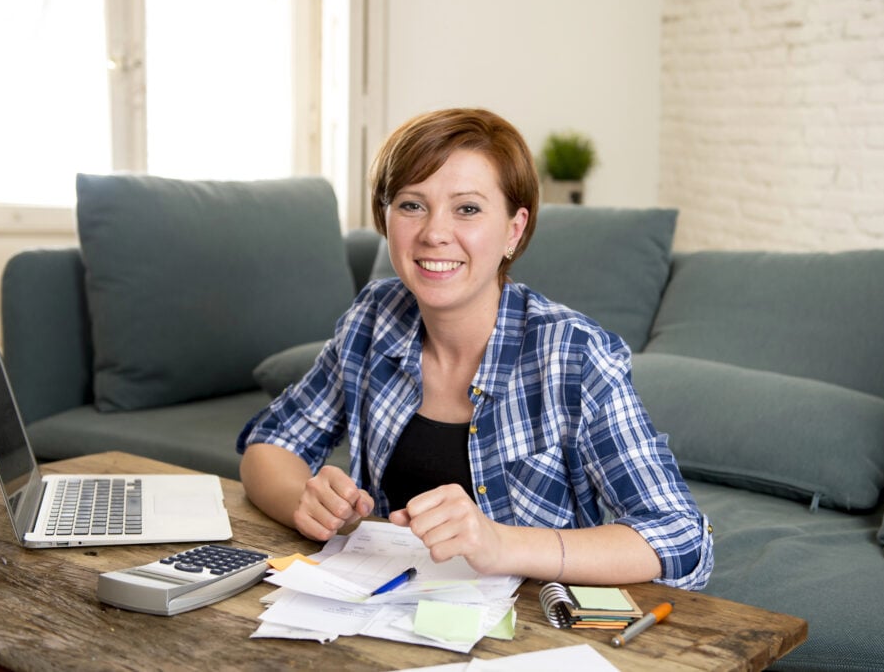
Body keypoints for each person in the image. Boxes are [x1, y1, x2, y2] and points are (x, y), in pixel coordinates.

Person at [238, 108, 713, 590]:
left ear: (514, 229)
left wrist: (501, 544)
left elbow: (678, 535)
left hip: (531, 628)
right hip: (382, 610)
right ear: (386, 218)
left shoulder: (573, 353)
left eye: (467, 208)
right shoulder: (375, 317)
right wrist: (308, 502)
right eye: (411, 205)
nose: (434, 233)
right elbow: (270, 443)